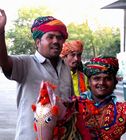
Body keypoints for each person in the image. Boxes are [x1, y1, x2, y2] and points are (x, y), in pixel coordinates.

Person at [0, 9, 74, 140]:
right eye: (50, 37)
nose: (56, 41)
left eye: (59, 37)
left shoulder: (65, 67)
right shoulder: (26, 63)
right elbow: (4, 61)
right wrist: (0, 32)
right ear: (38, 42)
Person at [81, 55, 126, 140]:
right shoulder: (75, 106)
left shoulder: (124, 110)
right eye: (96, 78)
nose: (102, 83)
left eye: (107, 79)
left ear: (114, 82)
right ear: (89, 82)